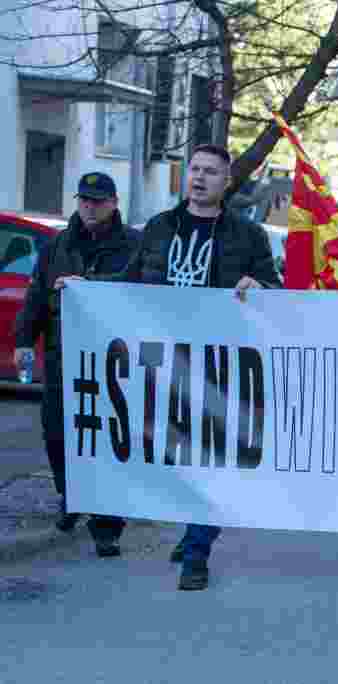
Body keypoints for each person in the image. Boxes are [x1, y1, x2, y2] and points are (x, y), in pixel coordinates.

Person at [58, 145, 282, 591]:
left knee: (214, 458)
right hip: (165, 362)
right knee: (176, 457)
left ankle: (197, 553)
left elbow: (274, 288)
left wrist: (258, 285)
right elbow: (133, 284)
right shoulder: (160, 228)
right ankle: (197, 526)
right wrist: (90, 289)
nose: (199, 178)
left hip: (220, 362)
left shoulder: (247, 236)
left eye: (211, 172)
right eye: (195, 169)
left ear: (225, 181)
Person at [14, 172, 140, 554]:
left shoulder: (133, 244)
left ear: (114, 203)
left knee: (106, 439)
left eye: (98, 200)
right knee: (57, 433)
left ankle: (107, 526)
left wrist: (88, 284)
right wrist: (23, 340)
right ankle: (72, 495)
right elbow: (36, 294)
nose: (89, 205)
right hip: (62, 352)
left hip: (111, 358)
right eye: (84, 199)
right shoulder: (58, 244)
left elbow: (140, 291)